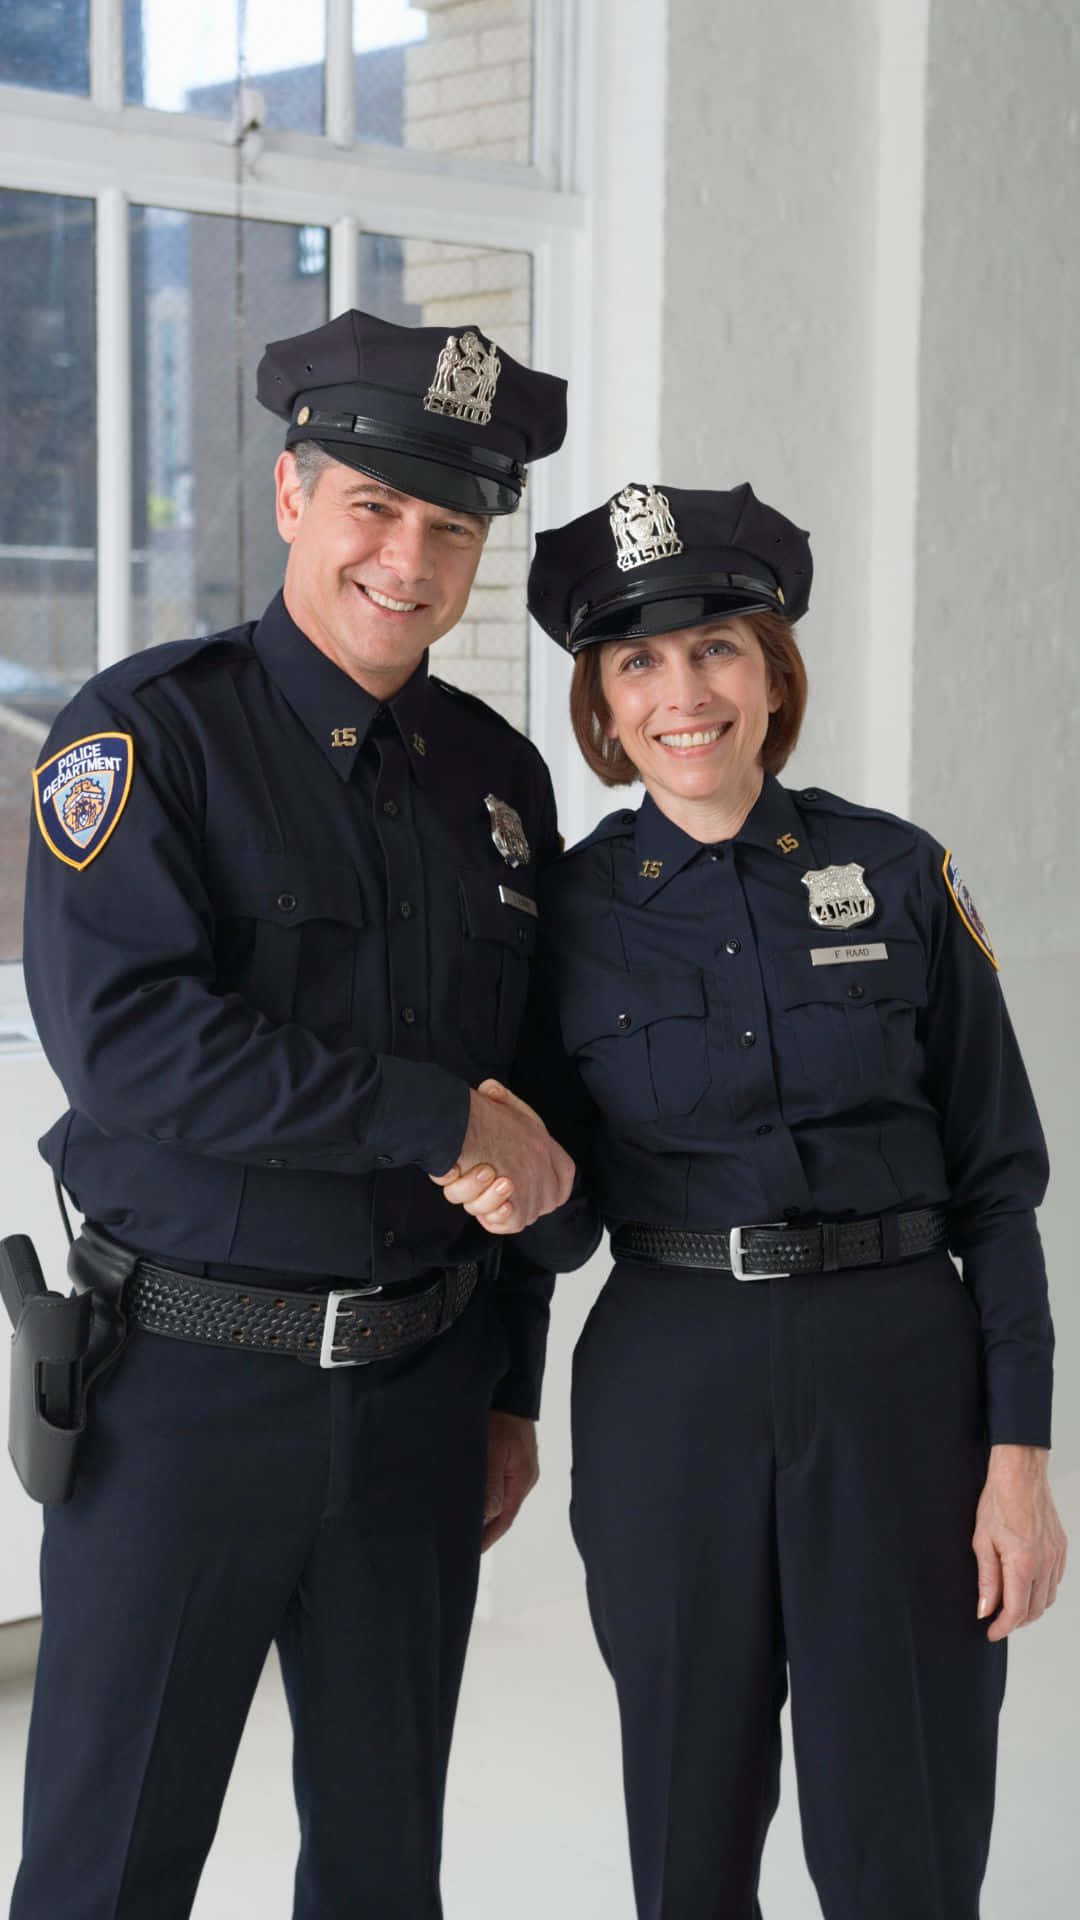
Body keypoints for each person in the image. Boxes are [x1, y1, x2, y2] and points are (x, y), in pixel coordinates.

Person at [12, 308, 597, 1920]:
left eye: (451, 524)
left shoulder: (493, 774)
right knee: (106, 1861)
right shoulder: (152, 733)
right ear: (291, 499)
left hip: (420, 1397)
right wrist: (431, 1122)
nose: (408, 556)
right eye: (373, 508)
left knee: (379, 1859)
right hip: (183, 1402)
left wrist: (510, 1384)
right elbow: (129, 1047)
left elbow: (525, 1095)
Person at [442, 480, 1067, 1919]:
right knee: (690, 1810)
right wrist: (508, 1392)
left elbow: (999, 1188)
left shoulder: (899, 875)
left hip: (902, 1377)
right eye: (638, 662)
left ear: (771, 673)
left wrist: (1020, 1458)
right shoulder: (565, 918)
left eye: (718, 646)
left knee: (902, 1817)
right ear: (603, 701)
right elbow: (551, 1212)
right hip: (675, 1375)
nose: (684, 693)